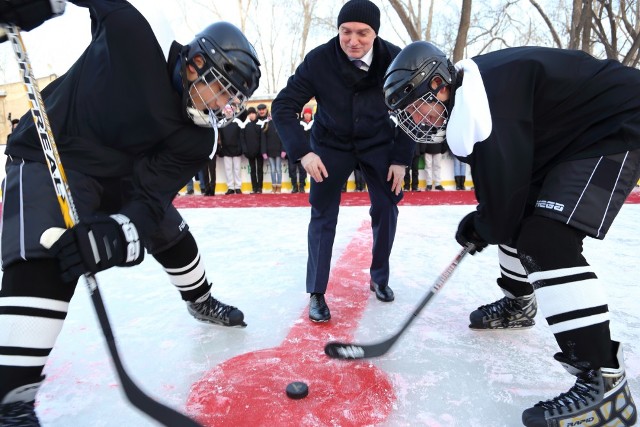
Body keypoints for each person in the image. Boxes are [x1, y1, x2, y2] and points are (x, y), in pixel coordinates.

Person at [0, 1, 261, 424]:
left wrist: (120, 234)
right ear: (195, 64)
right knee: (47, 255)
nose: (224, 105)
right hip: (55, 153)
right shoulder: (138, 33)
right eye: (222, 89)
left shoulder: (198, 139)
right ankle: (11, 399)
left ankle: (200, 299)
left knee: (172, 234)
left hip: (124, 175)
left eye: (233, 99)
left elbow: (151, 197)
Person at [383, 40, 640, 427]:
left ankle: (605, 385)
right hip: (571, 138)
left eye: (416, 103)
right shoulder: (470, 101)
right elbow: (499, 194)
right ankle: (520, 304)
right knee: (516, 216)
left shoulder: (488, 100)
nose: (414, 118)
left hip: (616, 122)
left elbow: (504, 198)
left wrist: (484, 224)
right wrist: (485, 220)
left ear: (439, 85)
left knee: (547, 240)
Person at [271, 0, 414, 322]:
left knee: (387, 205)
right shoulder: (319, 60)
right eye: (346, 32)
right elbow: (282, 106)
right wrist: (303, 151)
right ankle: (317, 291)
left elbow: (411, 110)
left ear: (375, 33)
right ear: (338, 31)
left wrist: (401, 159)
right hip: (330, 144)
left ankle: (380, 277)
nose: (353, 40)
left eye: (363, 33)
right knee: (322, 213)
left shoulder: (395, 58)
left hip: (378, 142)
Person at [219, 105, 245, 194]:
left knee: (237, 169)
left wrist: (241, 148)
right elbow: (219, 138)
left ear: (233, 111)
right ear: (223, 112)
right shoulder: (221, 123)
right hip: (226, 150)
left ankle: (238, 187)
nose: (228, 112)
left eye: (230, 110)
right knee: (228, 169)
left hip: (237, 149)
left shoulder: (238, 122)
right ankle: (230, 187)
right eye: (226, 110)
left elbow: (242, 136)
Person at [260, 104, 284, 193]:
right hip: (269, 151)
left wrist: (283, 150)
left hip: (278, 151)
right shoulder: (266, 124)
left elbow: (283, 138)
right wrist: (264, 152)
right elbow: (263, 140)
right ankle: (274, 186)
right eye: (271, 114)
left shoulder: (279, 124)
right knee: (273, 169)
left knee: (278, 169)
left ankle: (279, 187)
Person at [290, 107, 312, 193]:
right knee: (292, 169)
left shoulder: (314, 124)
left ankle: (302, 185)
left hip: (306, 150)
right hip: (295, 149)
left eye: (309, 113)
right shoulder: (298, 123)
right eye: (306, 113)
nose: (307, 115)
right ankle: (294, 186)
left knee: (303, 169)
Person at [241, 106, 264, 193]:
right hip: (250, 152)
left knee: (259, 170)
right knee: (253, 170)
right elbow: (242, 139)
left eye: (253, 113)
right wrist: (245, 150)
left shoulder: (260, 124)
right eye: (250, 114)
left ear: (256, 114)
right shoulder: (245, 125)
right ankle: (254, 188)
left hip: (259, 152)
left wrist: (262, 150)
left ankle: (260, 188)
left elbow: (263, 139)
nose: (251, 115)